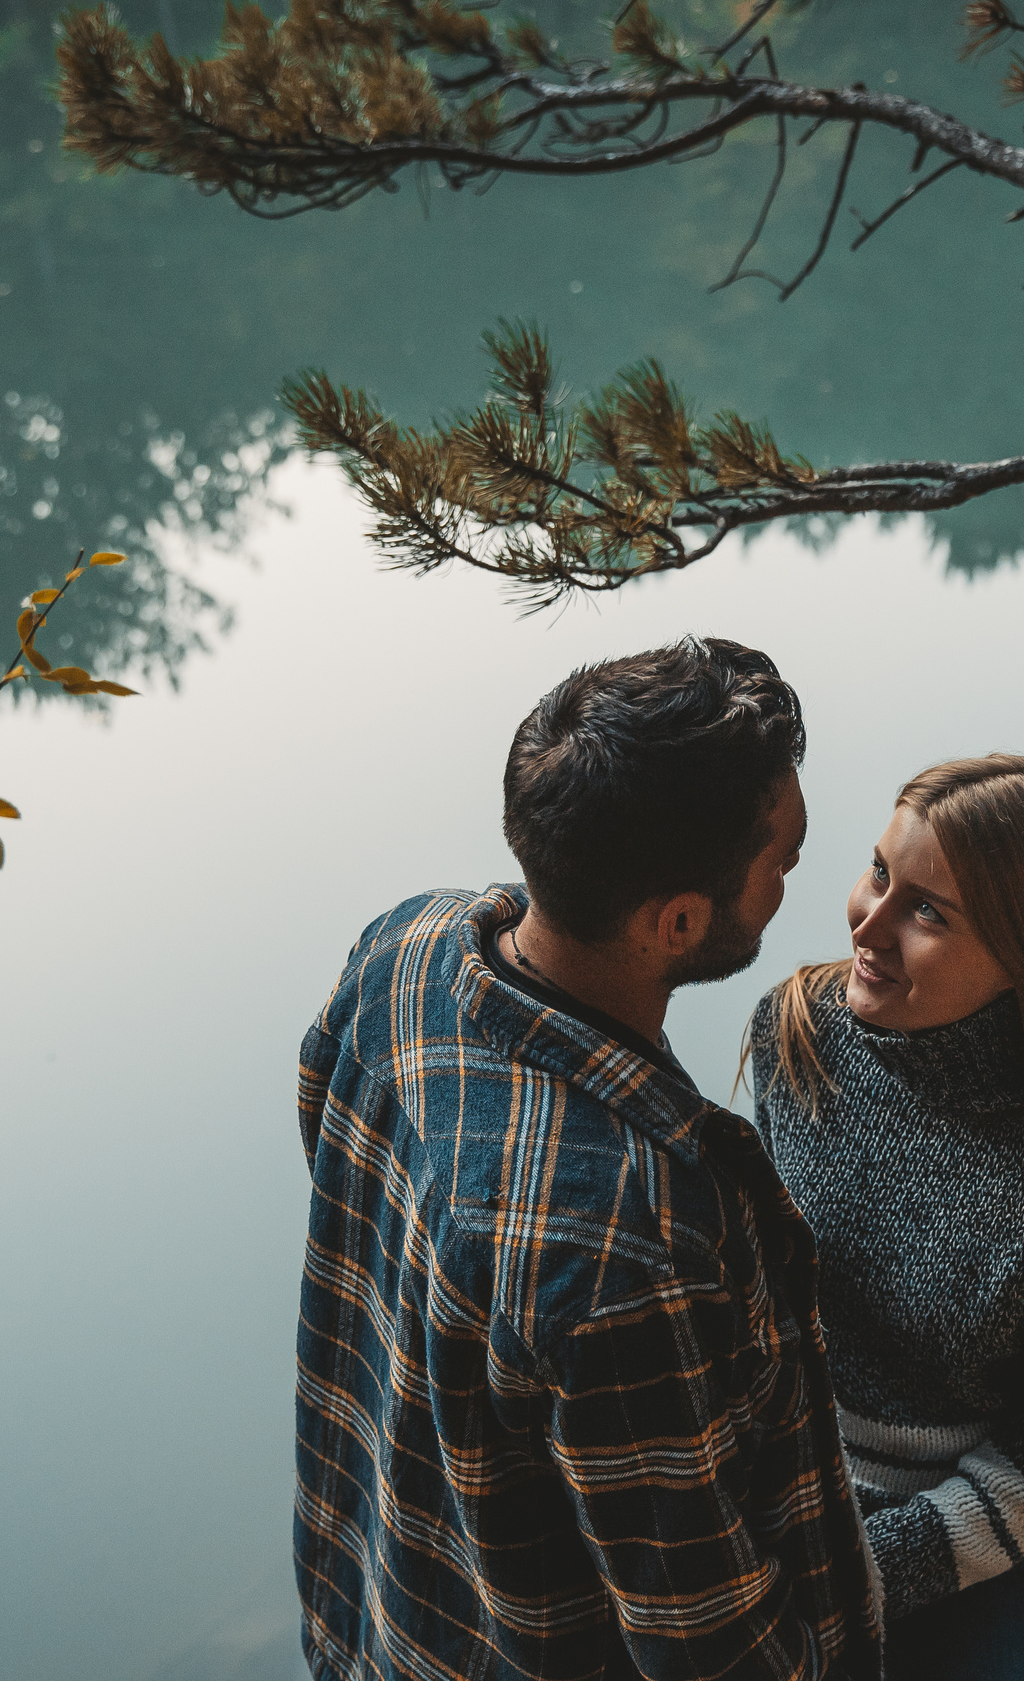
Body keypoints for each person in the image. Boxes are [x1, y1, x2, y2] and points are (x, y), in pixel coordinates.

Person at [292, 637, 883, 1681]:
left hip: (386, 1621)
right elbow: (708, 1644)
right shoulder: (627, 1242)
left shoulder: (403, 950)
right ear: (681, 921)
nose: (798, 876)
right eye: (781, 861)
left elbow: (340, 1169)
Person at [746, 754, 1024, 1681]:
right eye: (877, 872)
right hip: (773, 1514)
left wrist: (860, 1570)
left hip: (973, 1561)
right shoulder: (797, 1034)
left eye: (928, 912)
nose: (870, 922)